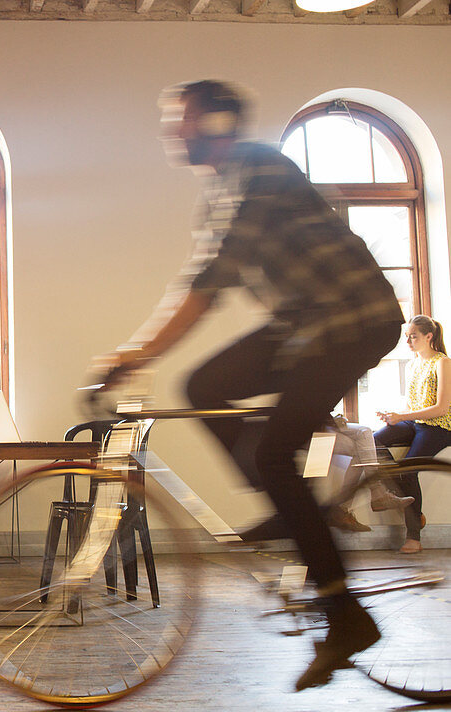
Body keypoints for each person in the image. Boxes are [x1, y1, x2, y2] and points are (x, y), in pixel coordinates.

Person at [94, 80, 404, 691]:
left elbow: (208, 287)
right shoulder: (221, 190)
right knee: (205, 381)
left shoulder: (258, 169)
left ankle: (345, 613)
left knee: (271, 452)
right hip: (303, 325)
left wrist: (132, 354)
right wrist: (140, 352)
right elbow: (199, 277)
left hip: (353, 319)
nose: (172, 131)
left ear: (216, 122)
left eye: (181, 119)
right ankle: (288, 505)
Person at [373, 315, 451, 554]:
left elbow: (441, 408)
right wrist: (393, 416)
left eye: (413, 336)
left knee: (408, 468)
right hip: (415, 423)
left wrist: (401, 418)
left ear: (429, 336)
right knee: (372, 441)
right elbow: (412, 406)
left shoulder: (443, 362)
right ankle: (405, 502)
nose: (408, 340)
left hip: (439, 426)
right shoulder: (411, 364)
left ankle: (414, 536)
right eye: (406, 336)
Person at [323, 416, 412, 533]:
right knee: (362, 449)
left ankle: (373, 496)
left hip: (324, 424)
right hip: (308, 431)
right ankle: (376, 496)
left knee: (364, 434)